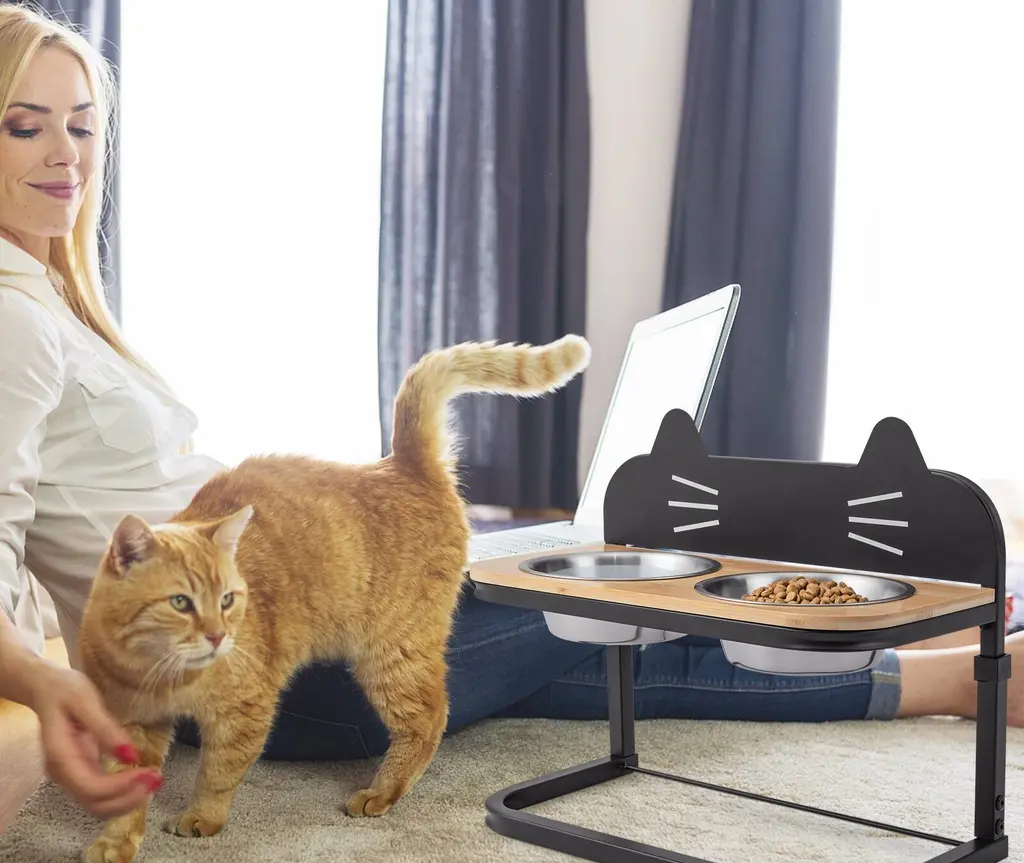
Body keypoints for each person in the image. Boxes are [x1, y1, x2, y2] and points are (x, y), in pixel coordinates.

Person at [0, 6, 1020, 821]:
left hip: (278, 607)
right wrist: (48, 687)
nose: (66, 153)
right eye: (26, 124)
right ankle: (945, 661)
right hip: (261, 669)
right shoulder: (11, 316)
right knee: (605, 594)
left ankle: (939, 672)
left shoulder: (51, 294)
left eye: (82, 124)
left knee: (581, 611)